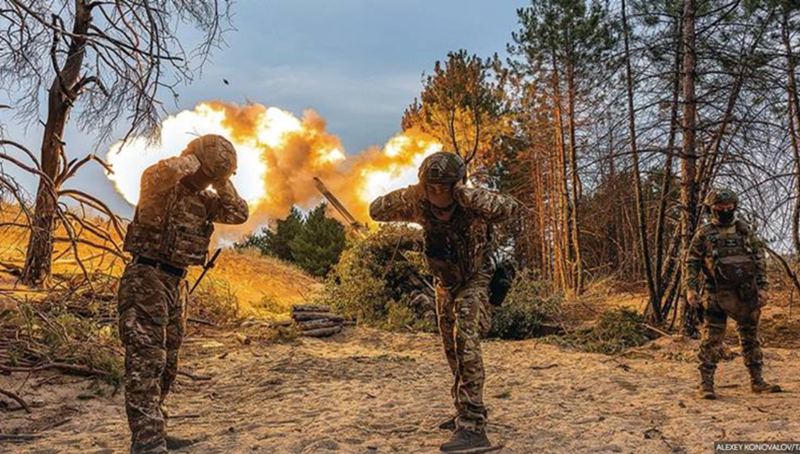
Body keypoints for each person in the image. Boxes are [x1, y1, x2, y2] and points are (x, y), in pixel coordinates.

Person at [369, 151, 519, 453]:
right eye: (432, 188)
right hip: (444, 284)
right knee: (451, 351)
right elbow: (376, 210)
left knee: (466, 344)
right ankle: (463, 409)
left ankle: (474, 427)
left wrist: (468, 194)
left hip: (475, 279)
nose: (438, 194)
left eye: (445, 187)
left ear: (457, 185)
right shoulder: (420, 204)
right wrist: (413, 192)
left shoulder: (471, 205)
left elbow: (510, 208)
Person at [118, 134, 249, 453]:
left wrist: (221, 180)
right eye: (207, 171)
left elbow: (239, 213)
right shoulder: (159, 185)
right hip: (145, 277)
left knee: (168, 362)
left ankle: (156, 431)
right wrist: (192, 158)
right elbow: (156, 175)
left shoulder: (206, 200)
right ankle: (146, 441)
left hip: (177, 284)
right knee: (146, 360)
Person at [685, 188, 781, 400]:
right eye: (720, 207)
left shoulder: (744, 231)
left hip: (745, 293)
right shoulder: (704, 234)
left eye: (729, 207)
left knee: (750, 337)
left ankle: (757, 381)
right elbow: (691, 261)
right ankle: (706, 384)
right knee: (711, 339)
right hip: (715, 292)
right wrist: (691, 288)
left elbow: (759, 260)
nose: (725, 210)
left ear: (734, 206)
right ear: (712, 208)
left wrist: (763, 287)